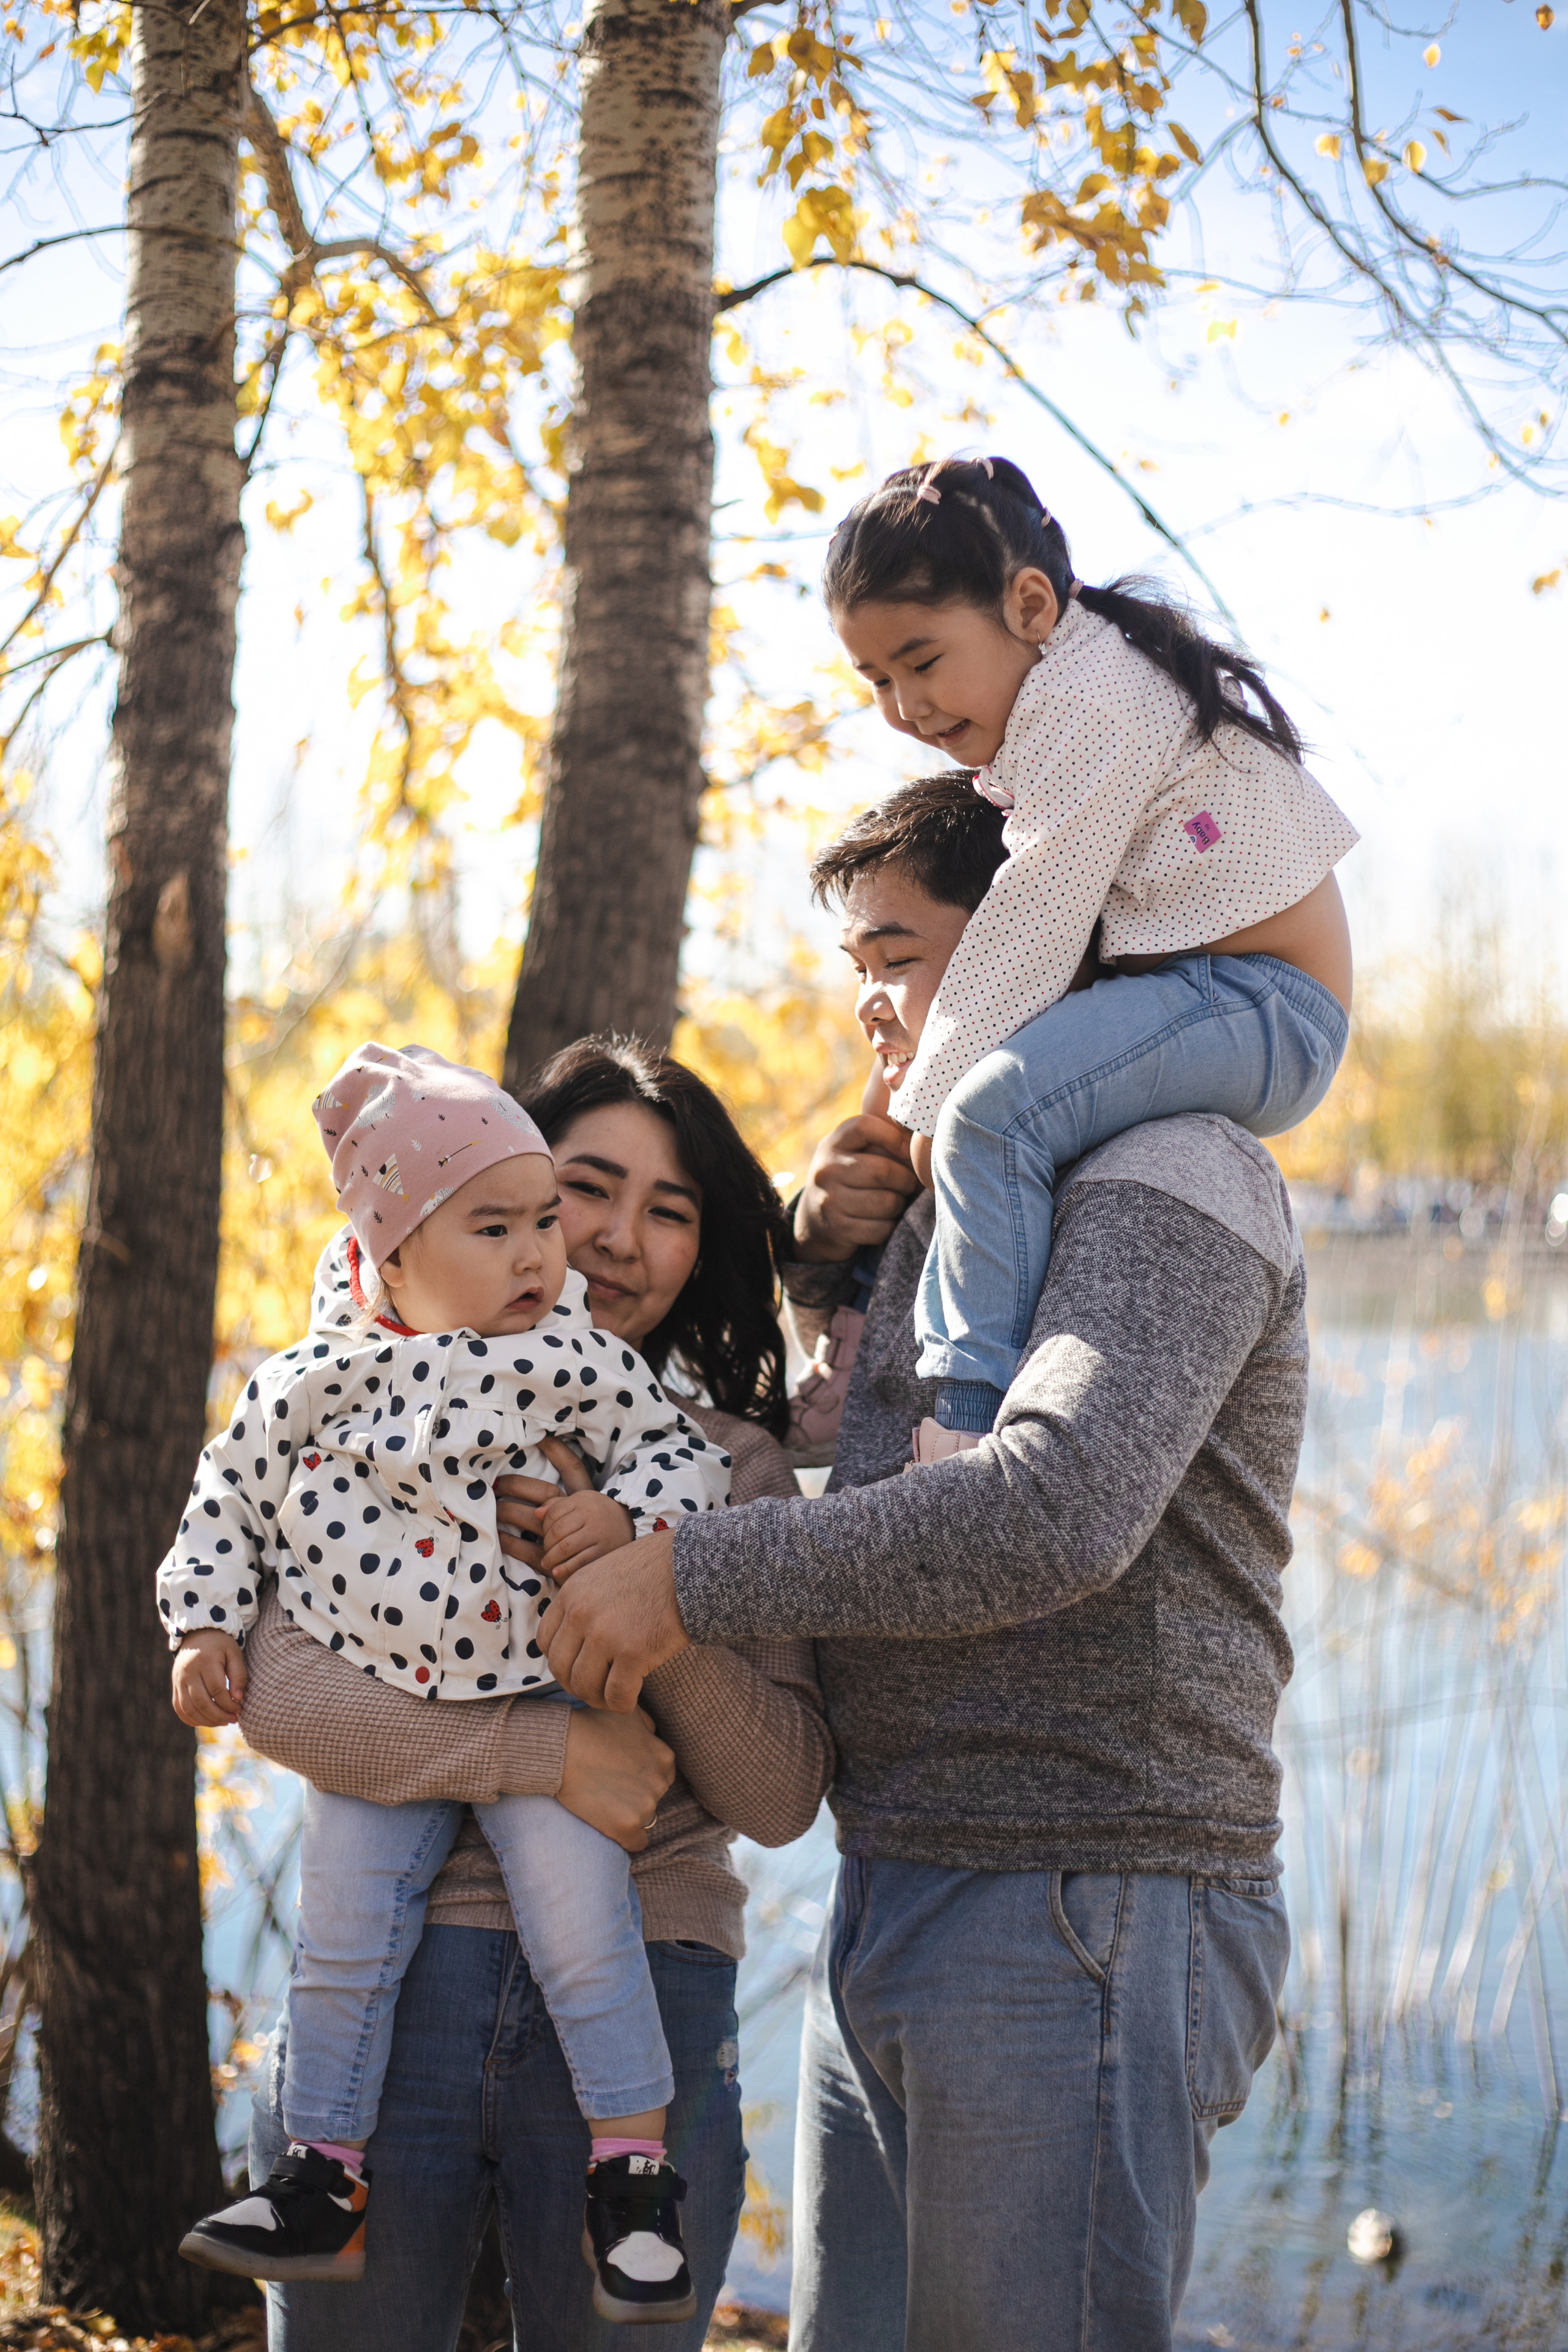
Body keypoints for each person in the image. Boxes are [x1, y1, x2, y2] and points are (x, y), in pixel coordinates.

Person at [535, 775, 1307, 2352]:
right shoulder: (977, 1201)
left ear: (1035, 941)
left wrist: (683, 1580)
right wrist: (832, 1257)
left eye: (893, 959)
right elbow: (855, 1446)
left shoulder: (1168, 1171)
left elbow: (1049, 1511)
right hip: (899, 1887)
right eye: (855, 974)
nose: (870, 1014)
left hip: (1084, 1903)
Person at [239, 1038, 834, 2351]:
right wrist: (538, 1754)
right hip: (395, 2003)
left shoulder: (730, 1470)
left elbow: (783, 1792)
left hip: (652, 1991)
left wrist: (653, 1598)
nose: (614, 1239)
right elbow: (275, 1693)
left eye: (668, 1211)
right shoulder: (366, 1414)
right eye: (583, 1189)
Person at [823, 454, 1357, 1448]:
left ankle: (968, 1422)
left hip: (1264, 1006)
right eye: (877, 678)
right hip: (1216, 992)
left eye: (923, 660)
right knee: (977, 1105)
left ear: (1029, 604)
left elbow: (1024, 933)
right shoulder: (1076, 686)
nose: (904, 706)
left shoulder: (1089, 708)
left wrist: (922, 1113)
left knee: (988, 1115)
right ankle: (920, 1369)